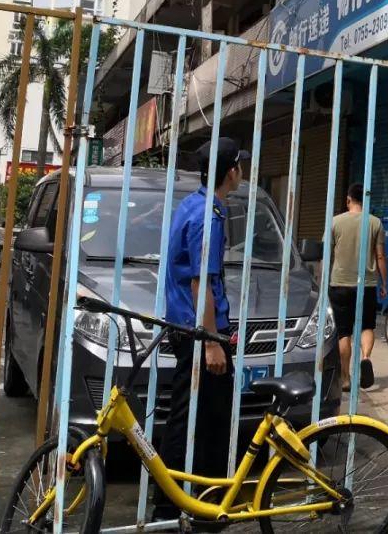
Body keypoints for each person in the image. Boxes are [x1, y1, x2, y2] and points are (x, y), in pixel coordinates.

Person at [153, 137, 249, 521]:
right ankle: (177, 507)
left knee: (200, 416)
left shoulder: (195, 204)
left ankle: (195, 500)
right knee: (199, 420)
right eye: (240, 165)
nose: (242, 171)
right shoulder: (208, 215)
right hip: (199, 333)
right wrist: (212, 343)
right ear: (231, 172)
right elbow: (200, 283)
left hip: (190, 327)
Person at [328, 182, 388, 391]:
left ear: (348, 200)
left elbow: (326, 254)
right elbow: (380, 256)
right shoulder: (375, 223)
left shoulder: (335, 222)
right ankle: (365, 358)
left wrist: (322, 280)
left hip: (339, 284)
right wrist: (384, 283)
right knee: (367, 326)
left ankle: (345, 378)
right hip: (366, 285)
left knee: (344, 332)